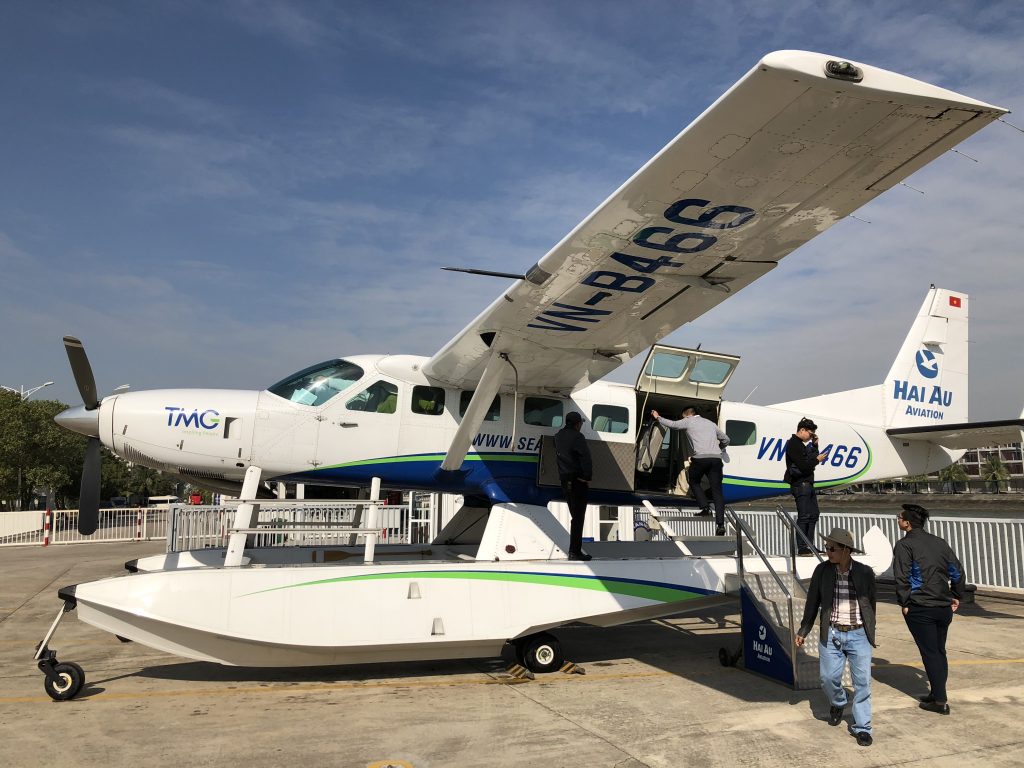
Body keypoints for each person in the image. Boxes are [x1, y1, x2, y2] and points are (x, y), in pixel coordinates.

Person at [796, 527, 877, 747]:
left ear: (846, 550)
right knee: (827, 679)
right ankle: (839, 701)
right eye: (827, 548)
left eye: (832, 549)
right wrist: (804, 630)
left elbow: (870, 604)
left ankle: (862, 727)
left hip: (858, 634)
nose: (828, 552)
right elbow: (812, 602)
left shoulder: (864, 572)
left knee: (863, 684)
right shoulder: (822, 571)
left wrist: (870, 630)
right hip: (831, 633)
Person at [893, 503, 965, 715]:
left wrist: (904, 603)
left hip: (921, 606)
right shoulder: (939, 542)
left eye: (899, 518)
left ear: (907, 523)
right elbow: (957, 571)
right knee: (939, 651)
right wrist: (957, 595)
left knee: (930, 652)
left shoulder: (904, 545)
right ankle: (936, 692)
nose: (897, 520)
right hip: (943, 606)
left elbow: (902, 576)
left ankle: (940, 701)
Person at [650, 407, 730, 536]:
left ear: (687, 415)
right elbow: (726, 439)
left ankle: (705, 508)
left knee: (693, 480)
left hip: (700, 459)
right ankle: (720, 525)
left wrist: (658, 417)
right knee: (717, 491)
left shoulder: (688, 421)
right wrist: (718, 448)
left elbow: (673, 425)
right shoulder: (711, 424)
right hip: (716, 460)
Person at [554, 411, 593, 561]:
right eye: (581, 423)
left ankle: (574, 551)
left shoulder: (558, 436)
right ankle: (575, 552)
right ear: (577, 424)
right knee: (578, 518)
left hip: (564, 481)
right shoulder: (578, 437)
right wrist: (587, 477)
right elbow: (586, 458)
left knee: (574, 515)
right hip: (578, 481)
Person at [785, 417, 828, 555]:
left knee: (814, 514)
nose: (810, 437)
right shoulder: (793, 444)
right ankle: (803, 547)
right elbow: (805, 466)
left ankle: (809, 544)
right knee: (804, 516)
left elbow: (809, 461)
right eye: (810, 434)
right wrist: (817, 459)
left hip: (808, 484)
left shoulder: (801, 445)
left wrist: (815, 446)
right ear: (802, 430)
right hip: (800, 484)